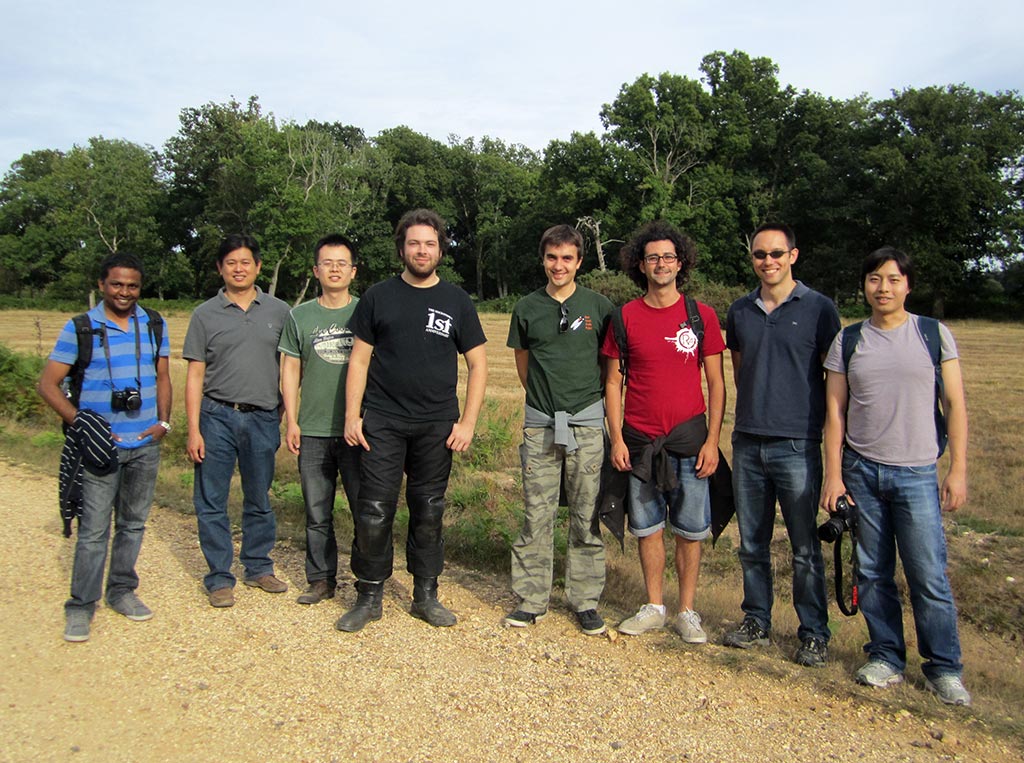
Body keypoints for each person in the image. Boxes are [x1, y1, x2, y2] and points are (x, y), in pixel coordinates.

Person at [822, 246, 971, 706]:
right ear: (864, 285)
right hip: (861, 470)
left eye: (892, 279)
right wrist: (833, 475)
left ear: (907, 284)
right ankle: (885, 655)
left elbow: (956, 405)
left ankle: (944, 669)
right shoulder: (849, 340)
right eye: (874, 279)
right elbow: (835, 411)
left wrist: (958, 469)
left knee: (928, 574)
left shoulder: (932, 334)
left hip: (917, 472)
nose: (882, 288)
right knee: (871, 571)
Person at [337, 209, 487, 632]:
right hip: (382, 420)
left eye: (430, 243)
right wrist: (353, 415)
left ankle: (425, 595)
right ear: (402, 248)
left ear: (440, 249)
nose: (422, 251)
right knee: (373, 511)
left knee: (429, 510)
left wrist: (468, 423)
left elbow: (478, 366)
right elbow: (359, 359)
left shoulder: (457, 300)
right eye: (414, 243)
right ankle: (369, 594)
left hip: (437, 424)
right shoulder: (378, 297)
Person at [37, 252, 172, 642]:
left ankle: (121, 591)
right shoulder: (81, 327)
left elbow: (163, 376)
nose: (124, 292)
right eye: (116, 284)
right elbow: (48, 385)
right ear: (101, 285)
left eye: (132, 285)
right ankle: (81, 606)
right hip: (100, 448)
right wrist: (82, 424)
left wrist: (164, 422)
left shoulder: (154, 324)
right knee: (94, 530)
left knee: (133, 524)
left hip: (145, 443)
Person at [723, 222, 840, 666]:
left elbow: (836, 381)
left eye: (776, 253)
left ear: (793, 255)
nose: (767, 261)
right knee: (751, 542)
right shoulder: (739, 310)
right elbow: (740, 369)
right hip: (749, 441)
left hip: (798, 444)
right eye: (759, 254)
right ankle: (756, 620)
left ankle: (813, 632)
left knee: (805, 547)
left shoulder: (820, 309)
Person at [603, 221, 725, 643]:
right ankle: (654, 606)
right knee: (647, 526)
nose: (661, 263)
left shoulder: (701, 315)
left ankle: (687, 612)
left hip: (691, 443)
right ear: (641, 264)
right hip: (639, 443)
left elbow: (717, 383)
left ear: (681, 262)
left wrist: (712, 441)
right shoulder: (624, 317)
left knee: (691, 530)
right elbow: (613, 383)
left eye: (668, 257)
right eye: (653, 257)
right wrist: (617, 438)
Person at [505, 225, 613, 636]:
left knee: (585, 515)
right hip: (541, 426)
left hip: (586, 424)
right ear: (543, 259)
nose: (559, 265)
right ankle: (532, 599)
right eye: (552, 257)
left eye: (567, 258)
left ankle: (584, 600)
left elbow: (608, 365)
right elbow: (522, 362)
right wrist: (541, 402)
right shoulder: (527, 307)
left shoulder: (599, 306)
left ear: (579, 261)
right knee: (537, 513)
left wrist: (590, 402)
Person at [184, 233, 291, 608]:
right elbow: (195, 374)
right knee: (211, 499)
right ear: (220, 268)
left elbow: (290, 367)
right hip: (216, 415)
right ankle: (218, 577)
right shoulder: (204, 314)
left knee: (259, 496)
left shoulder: (280, 311)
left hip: (262, 417)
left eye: (246, 262)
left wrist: (282, 411)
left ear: (258, 267)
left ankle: (258, 566)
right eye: (231, 263)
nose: (239, 269)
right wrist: (193, 428)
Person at [280, 234, 362, 605]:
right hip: (312, 430)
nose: (334, 269)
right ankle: (321, 579)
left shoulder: (366, 312)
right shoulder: (299, 316)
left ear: (353, 271)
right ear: (316, 270)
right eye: (327, 263)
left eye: (341, 263)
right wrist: (291, 420)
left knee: (365, 510)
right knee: (316, 511)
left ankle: (366, 581)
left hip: (356, 430)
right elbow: (290, 370)